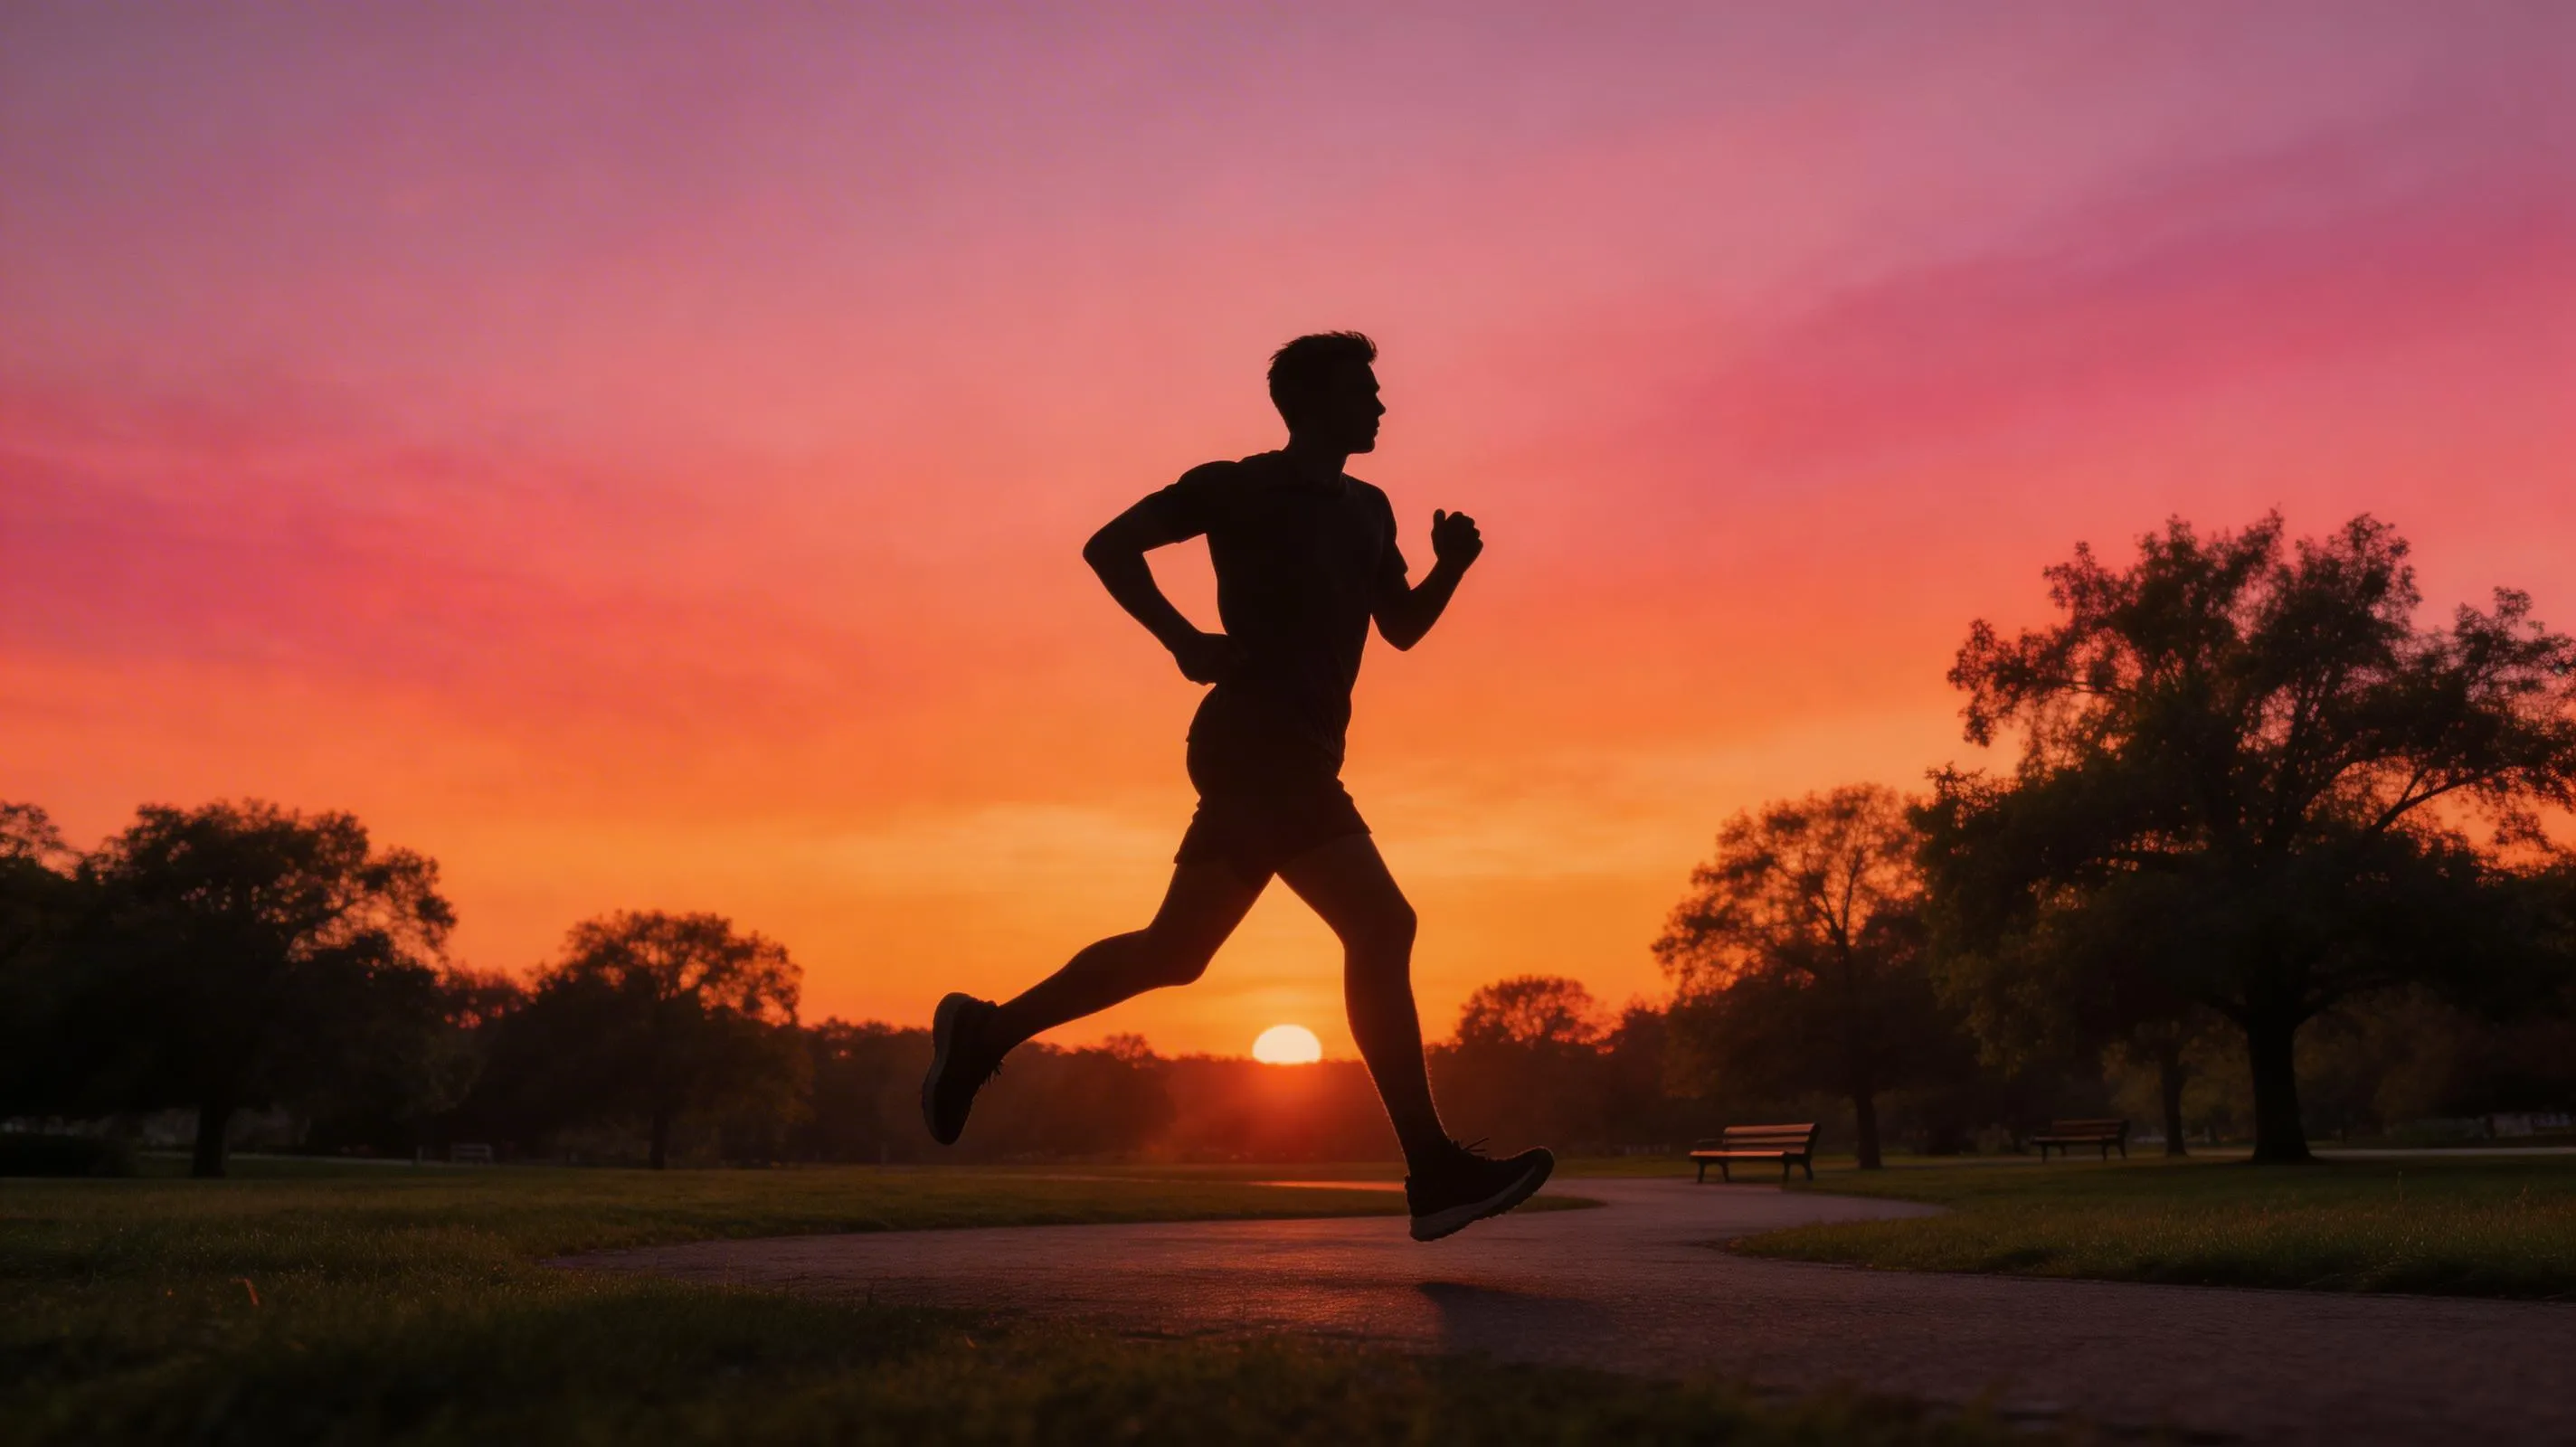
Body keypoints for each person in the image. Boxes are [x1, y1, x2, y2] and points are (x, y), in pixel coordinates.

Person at [921, 331, 1552, 1241]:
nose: (1380, 404)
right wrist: (1182, 640)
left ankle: (984, 1031)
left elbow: (1401, 628)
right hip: (1254, 746)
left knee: (1175, 953)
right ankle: (1434, 1168)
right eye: (1363, 390)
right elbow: (1110, 546)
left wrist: (1450, 565)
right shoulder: (1233, 487)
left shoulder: (1371, 508)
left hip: (1297, 752)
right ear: (1311, 403)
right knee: (1382, 923)